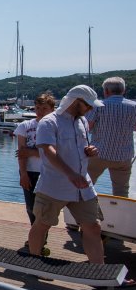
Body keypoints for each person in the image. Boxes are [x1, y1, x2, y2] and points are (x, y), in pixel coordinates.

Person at [26, 85, 105, 264]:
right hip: (54, 185)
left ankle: (99, 273)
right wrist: (70, 174)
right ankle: (34, 264)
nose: (90, 109)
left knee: (93, 226)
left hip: (82, 186)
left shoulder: (82, 121)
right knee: (42, 224)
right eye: (88, 105)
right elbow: (48, 150)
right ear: (76, 102)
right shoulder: (49, 122)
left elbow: (77, 147)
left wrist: (88, 150)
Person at [86, 76, 136, 197]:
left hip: (98, 153)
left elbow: (87, 127)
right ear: (123, 91)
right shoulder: (134, 106)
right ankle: (119, 215)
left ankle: (86, 211)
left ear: (106, 91)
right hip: (123, 156)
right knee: (121, 191)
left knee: (85, 186)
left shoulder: (98, 106)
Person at [14, 93, 56, 224]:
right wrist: (23, 173)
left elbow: (56, 153)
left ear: (51, 110)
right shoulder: (25, 126)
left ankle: (41, 237)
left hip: (49, 171)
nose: (40, 111)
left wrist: (31, 152)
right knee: (31, 207)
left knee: (45, 207)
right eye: (37, 108)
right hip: (30, 171)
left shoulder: (56, 127)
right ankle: (36, 235)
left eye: (44, 109)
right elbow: (21, 153)